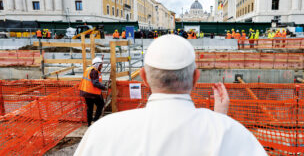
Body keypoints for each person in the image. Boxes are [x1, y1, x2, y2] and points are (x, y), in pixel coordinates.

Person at [74, 35, 267, 156]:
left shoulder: (102, 133)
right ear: (195, 78)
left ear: (144, 78)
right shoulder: (232, 133)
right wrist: (219, 121)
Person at [79, 57, 106, 127]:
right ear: (97, 65)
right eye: (100, 65)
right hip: (93, 93)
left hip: (86, 92)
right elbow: (95, 83)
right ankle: (95, 120)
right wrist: (104, 87)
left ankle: (89, 124)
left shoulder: (88, 69)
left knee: (90, 108)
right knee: (101, 104)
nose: (101, 67)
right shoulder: (94, 71)